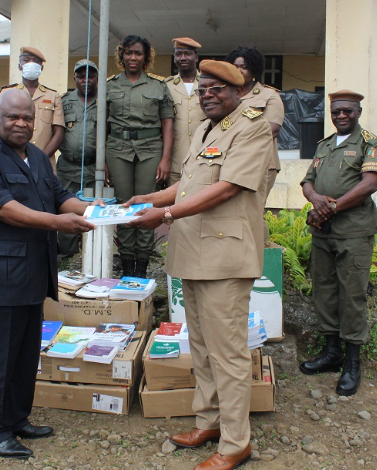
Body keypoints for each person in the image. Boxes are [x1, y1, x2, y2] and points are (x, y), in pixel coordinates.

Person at [125, 60, 273, 470]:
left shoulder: (252, 128)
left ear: (237, 91)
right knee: (203, 348)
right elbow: (189, 184)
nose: (208, 95)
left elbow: (226, 188)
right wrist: (149, 199)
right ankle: (208, 422)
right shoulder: (207, 129)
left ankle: (236, 443)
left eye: (217, 89)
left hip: (224, 258)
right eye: (203, 89)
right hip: (193, 253)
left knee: (228, 354)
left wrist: (166, 215)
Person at [0, 89, 102, 460]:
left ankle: (17, 419)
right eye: (13, 117)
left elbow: (60, 196)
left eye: (27, 118)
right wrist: (59, 223)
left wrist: (93, 211)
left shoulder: (37, 156)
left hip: (31, 275)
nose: (21, 124)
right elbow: (4, 209)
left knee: (24, 356)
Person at [298, 90, 377, 396]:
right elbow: (308, 181)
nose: (340, 115)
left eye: (347, 111)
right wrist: (315, 199)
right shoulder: (324, 145)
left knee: (351, 296)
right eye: (336, 111)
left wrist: (332, 208)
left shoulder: (369, 143)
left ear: (358, 111)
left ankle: (352, 363)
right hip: (323, 232)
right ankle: (332, 353)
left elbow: (369, 184)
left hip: (353, 232)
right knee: (325, 291)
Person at [106, 35, 174, 278]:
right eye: (128, 52)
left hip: (150, 149)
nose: (132, 57)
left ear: (146, 57)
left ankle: (141, 267)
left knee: (146, 204)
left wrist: (165, 159)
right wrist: (102, 162)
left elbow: (167, 123)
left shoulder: (158, 85)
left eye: (138, 53)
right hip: (117, 149)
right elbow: (102, 124)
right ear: (121, 55)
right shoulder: (110, 85)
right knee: (124, 205)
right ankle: (127, 266)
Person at [225, 46, 283, 194]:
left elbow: (272, 130)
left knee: (251, 206)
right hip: (229, 161)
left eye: (244, 67)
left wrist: (236, 143)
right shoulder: (226, 96)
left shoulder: (269, 95)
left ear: (254, 71)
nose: (239, 70)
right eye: (235, 67)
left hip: (260, 162)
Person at [57, 59, 98, 257]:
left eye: (90, 76)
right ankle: (67, 256)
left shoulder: (104, 102)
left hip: (94, 168)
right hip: (67, 166)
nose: (85, 80)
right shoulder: (63, 102)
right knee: (66, 209)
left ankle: (92, 257)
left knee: (93, 211)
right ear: (74, 78)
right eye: (81, 76)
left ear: (97, 78)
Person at [0, 46, 64, 168]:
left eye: (36, 61)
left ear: (41, 68)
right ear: (20, 66)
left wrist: (41, 158)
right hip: (11, 161)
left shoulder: (53, 96)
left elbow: (59, 133)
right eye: (26, 60)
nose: (31, 64)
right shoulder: (7, 93)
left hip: (44, 163)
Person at [164, 37, 205, 186]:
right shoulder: (166, 86)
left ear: (196, 57)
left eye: (187, 54)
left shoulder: (208, 84)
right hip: (176, 160)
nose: (183, 58)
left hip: (203, 158)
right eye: (178, 54)